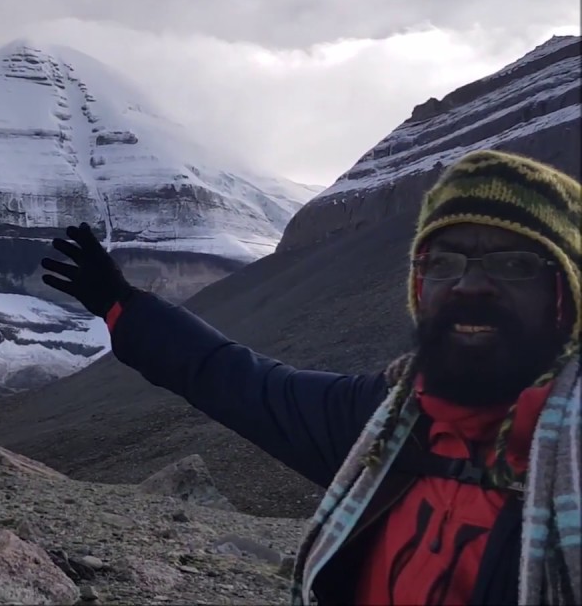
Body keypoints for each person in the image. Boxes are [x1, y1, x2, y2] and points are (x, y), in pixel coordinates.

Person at [40, 149, 580, 606]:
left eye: (514, 266)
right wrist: (122, 307)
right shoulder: (385, 424)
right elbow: (240, 382)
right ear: (419, 289)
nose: (469, 287)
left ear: (567, 295)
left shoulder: (569, 456)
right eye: (444, 263)